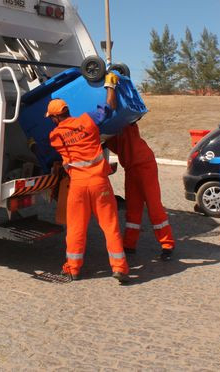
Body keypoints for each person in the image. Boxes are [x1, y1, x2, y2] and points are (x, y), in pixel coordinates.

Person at [47, 72, 129, 284]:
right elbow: (109, 107)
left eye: (52, 118)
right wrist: (110, 85)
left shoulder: (55, 136)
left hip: (78, 187)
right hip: (100, 183)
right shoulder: (88, 120)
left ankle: (73, 269)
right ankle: (119, 268)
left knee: (75, 228)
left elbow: (59, 157)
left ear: (56, 118)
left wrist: (31, 145)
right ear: (68, 111)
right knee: (110, 226)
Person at [107, 122, 175, 260]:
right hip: (131, 168)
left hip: (145, 166)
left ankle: (167, 245)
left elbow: (135, 115)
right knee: (133, 207)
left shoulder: (127, 121)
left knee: (154, 206)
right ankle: (129, 244)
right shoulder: (108, 129)